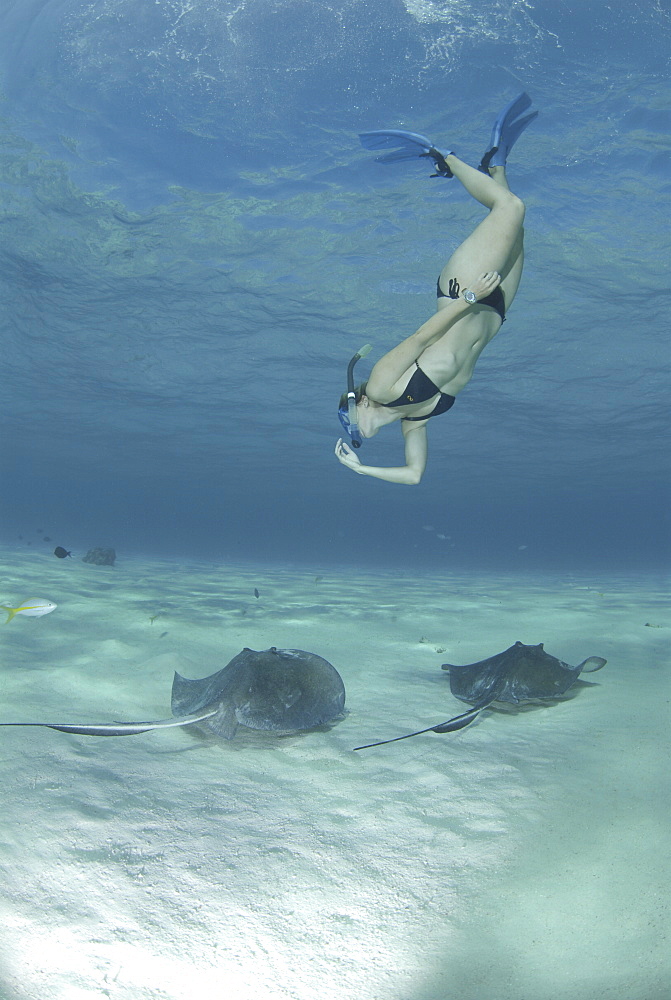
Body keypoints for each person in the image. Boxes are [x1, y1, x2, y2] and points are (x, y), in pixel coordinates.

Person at [335, 93, 537, 485]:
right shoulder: (415, 419)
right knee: (517, 231)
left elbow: (422, 335)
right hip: (494, 309)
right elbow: (414, 475)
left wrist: (468, 297)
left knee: (511, 210)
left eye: (346, 415)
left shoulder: (379, 384)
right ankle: (494, 164)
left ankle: (446, 158)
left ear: (359, 402)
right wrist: (360, 468)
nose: (350, 427)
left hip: (464, 291)